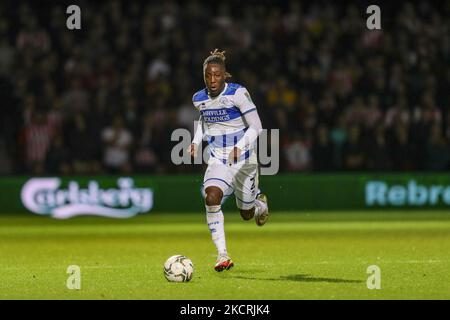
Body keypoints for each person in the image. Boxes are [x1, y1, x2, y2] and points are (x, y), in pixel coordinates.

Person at [187, 49, 269, 272]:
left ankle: (259, 204)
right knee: (212, 197)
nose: (212, 80)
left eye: (217, 75)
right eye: (208, 76)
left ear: (225, 75)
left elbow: (257, 127)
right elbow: (204, 122)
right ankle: (222, 254)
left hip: (245, 160)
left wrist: (239, 147)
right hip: (218, 160)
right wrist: (196, 141)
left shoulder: (238, 94)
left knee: (246, 214)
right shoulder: (199, 99)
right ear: (204, 76)